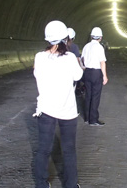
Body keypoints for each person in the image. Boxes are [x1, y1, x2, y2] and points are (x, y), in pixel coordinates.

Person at [33, 20, 83, 188]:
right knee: (68, 150)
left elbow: (37, 75)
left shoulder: (39, 57)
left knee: (43, 150)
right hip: (67, 110)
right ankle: (71, 184)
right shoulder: (69, 58)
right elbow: (77, 76)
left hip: (45, 109)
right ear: (65, 38)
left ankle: (41, 184)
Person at [81, 27, 108, 126]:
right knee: (95, 96)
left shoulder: (86, 46)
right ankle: (93, 120)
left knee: (88, 95)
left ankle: (87, 118)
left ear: (91, 36)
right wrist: (104, 76)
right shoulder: (99, 47)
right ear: (100, 37)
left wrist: (84, 68)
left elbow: (81, 59)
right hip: (96, 73)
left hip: (87, 72)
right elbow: (102, 62)